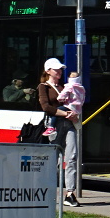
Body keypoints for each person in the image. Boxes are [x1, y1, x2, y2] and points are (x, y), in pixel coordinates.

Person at [38, 57, 80, 207]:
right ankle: (48, 191)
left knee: (72, 156)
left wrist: (73, 114)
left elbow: (74, 103)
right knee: (53, 158)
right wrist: (64, 113)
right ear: (48, 71)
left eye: (61, 69)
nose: (59, 71)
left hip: (69, 124)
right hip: (54, 125)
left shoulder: (65, 87)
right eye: (56, 69)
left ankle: (70, 193)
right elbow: (46, 107)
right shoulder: (43, 87)